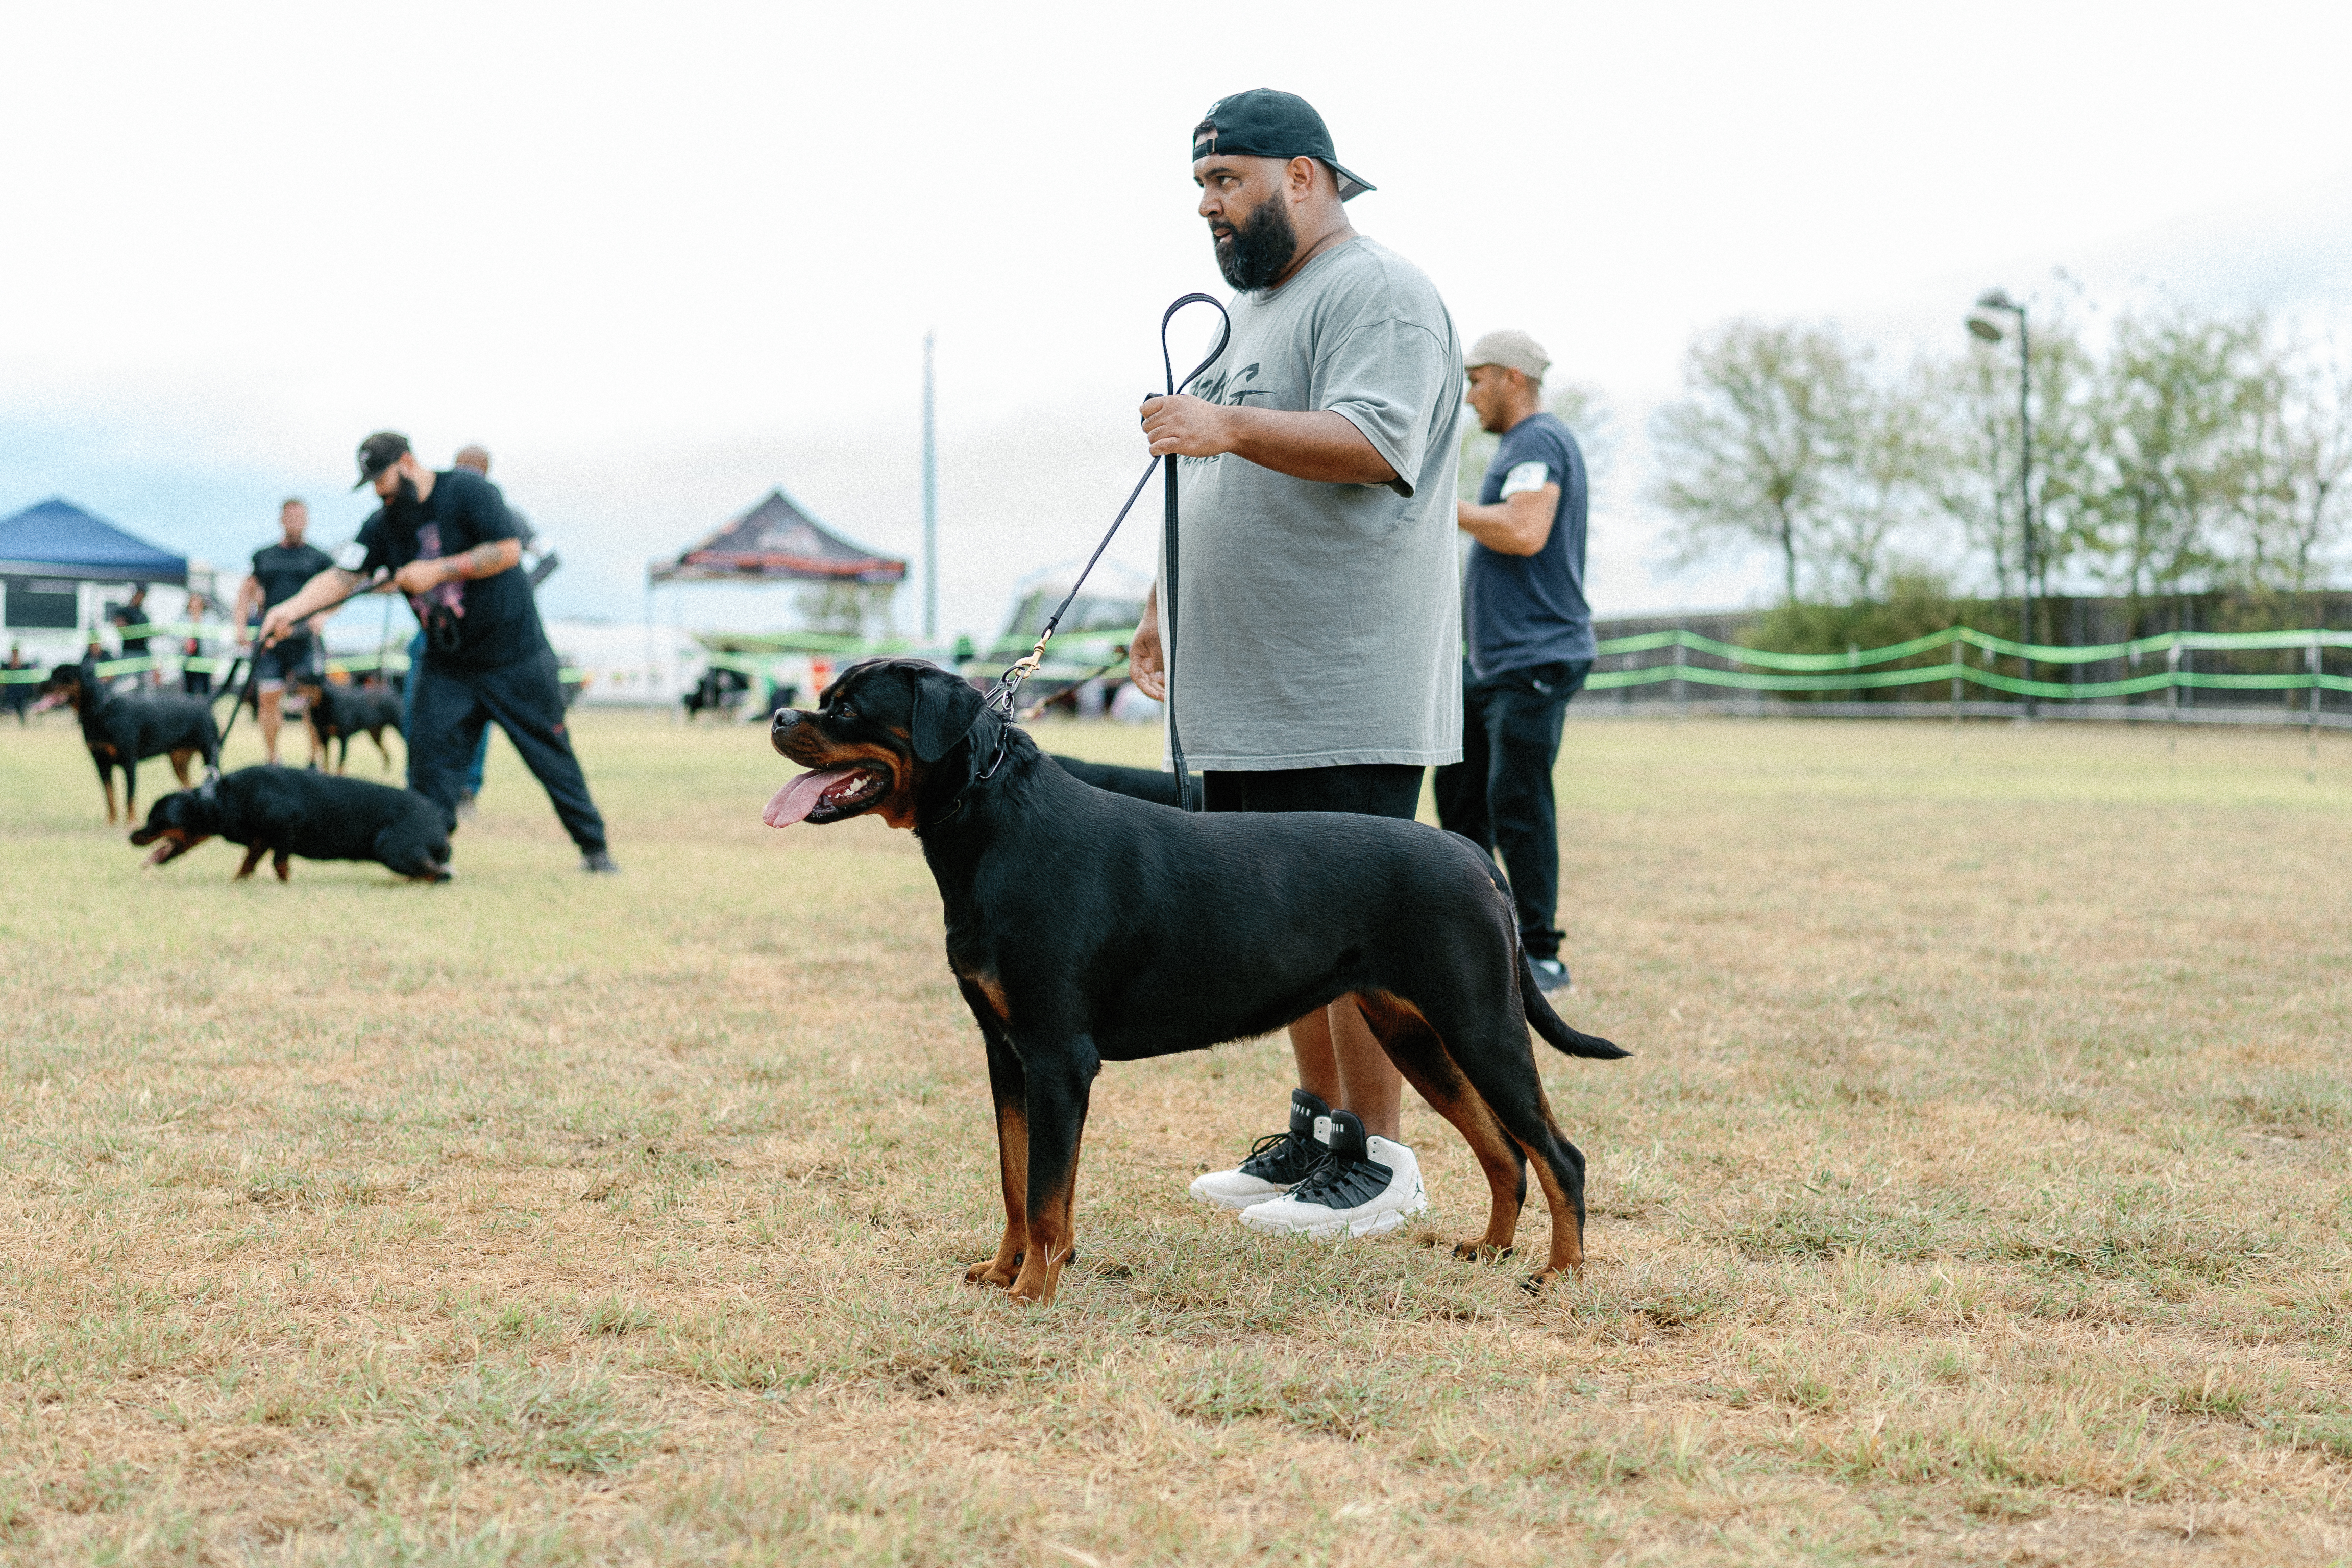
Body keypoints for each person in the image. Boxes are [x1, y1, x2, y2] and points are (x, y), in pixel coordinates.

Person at [1131, 89, 1463, 1239]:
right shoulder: (1264, 312)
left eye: (1228, 181)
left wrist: (1218, 426)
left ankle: (1382, 1166)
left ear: (1306, 177)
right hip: (1248, 693)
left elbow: (1379, 441)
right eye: (1203, 189)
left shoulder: (1378, 293)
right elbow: (1222, 477)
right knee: (1284, 935)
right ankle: (1319, 1133)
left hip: (1340, 690)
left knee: (1359, 935)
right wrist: (1162, 604)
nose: (1211, 209)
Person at [259, 432, 616, 873]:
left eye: (382, 479)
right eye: (371, 483)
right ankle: (426, 855)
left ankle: (594, 850)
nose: (379, 491)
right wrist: (290, 610)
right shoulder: (383, 524)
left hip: (516, 658)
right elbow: (344, 576)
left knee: (550, 754)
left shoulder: (468, 492)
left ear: (407, 462)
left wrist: (438, 571)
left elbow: (507, 551)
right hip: (447, 665)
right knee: (429, 765)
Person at [1434, 331, 1597, 993]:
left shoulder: (1537, 440)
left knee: (1516, 800)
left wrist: (1440, 508)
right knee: (1460, 794)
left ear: (1511, 378)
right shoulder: (1518, 448)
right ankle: (1483, 939)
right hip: (1494, 664)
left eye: (1476, 381)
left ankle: (1544, 954)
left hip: (1536, 655)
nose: (1470, 396)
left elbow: (1525, 531)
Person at [235, 501, 333, 765]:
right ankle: (272, 758)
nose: (295, 522)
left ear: (307, 520)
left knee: (310, 703)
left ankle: (315, 760)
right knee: (268, 697)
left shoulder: (319, 558)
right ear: (282, 519)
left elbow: (337, 592)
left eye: (300, 517)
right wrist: (241, 628)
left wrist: (322, 616)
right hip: (272, 638)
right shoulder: (264, 556)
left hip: (306, 638)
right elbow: (246, 592)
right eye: (290, 517)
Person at [108, 586, 154, 684]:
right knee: (125, 682)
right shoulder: (124, 611)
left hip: (143, 654)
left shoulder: (143, 615)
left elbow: (148, 633)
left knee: (142, 684)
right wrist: (137, 632)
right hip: (129, 653)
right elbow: (121, 627)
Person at [3, 643, 31, 723]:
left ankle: (23, 722)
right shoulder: (8, 665)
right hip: (11, 689)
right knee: (8, 707)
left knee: (21, 708)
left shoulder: (23, 664)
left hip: (20, 690)